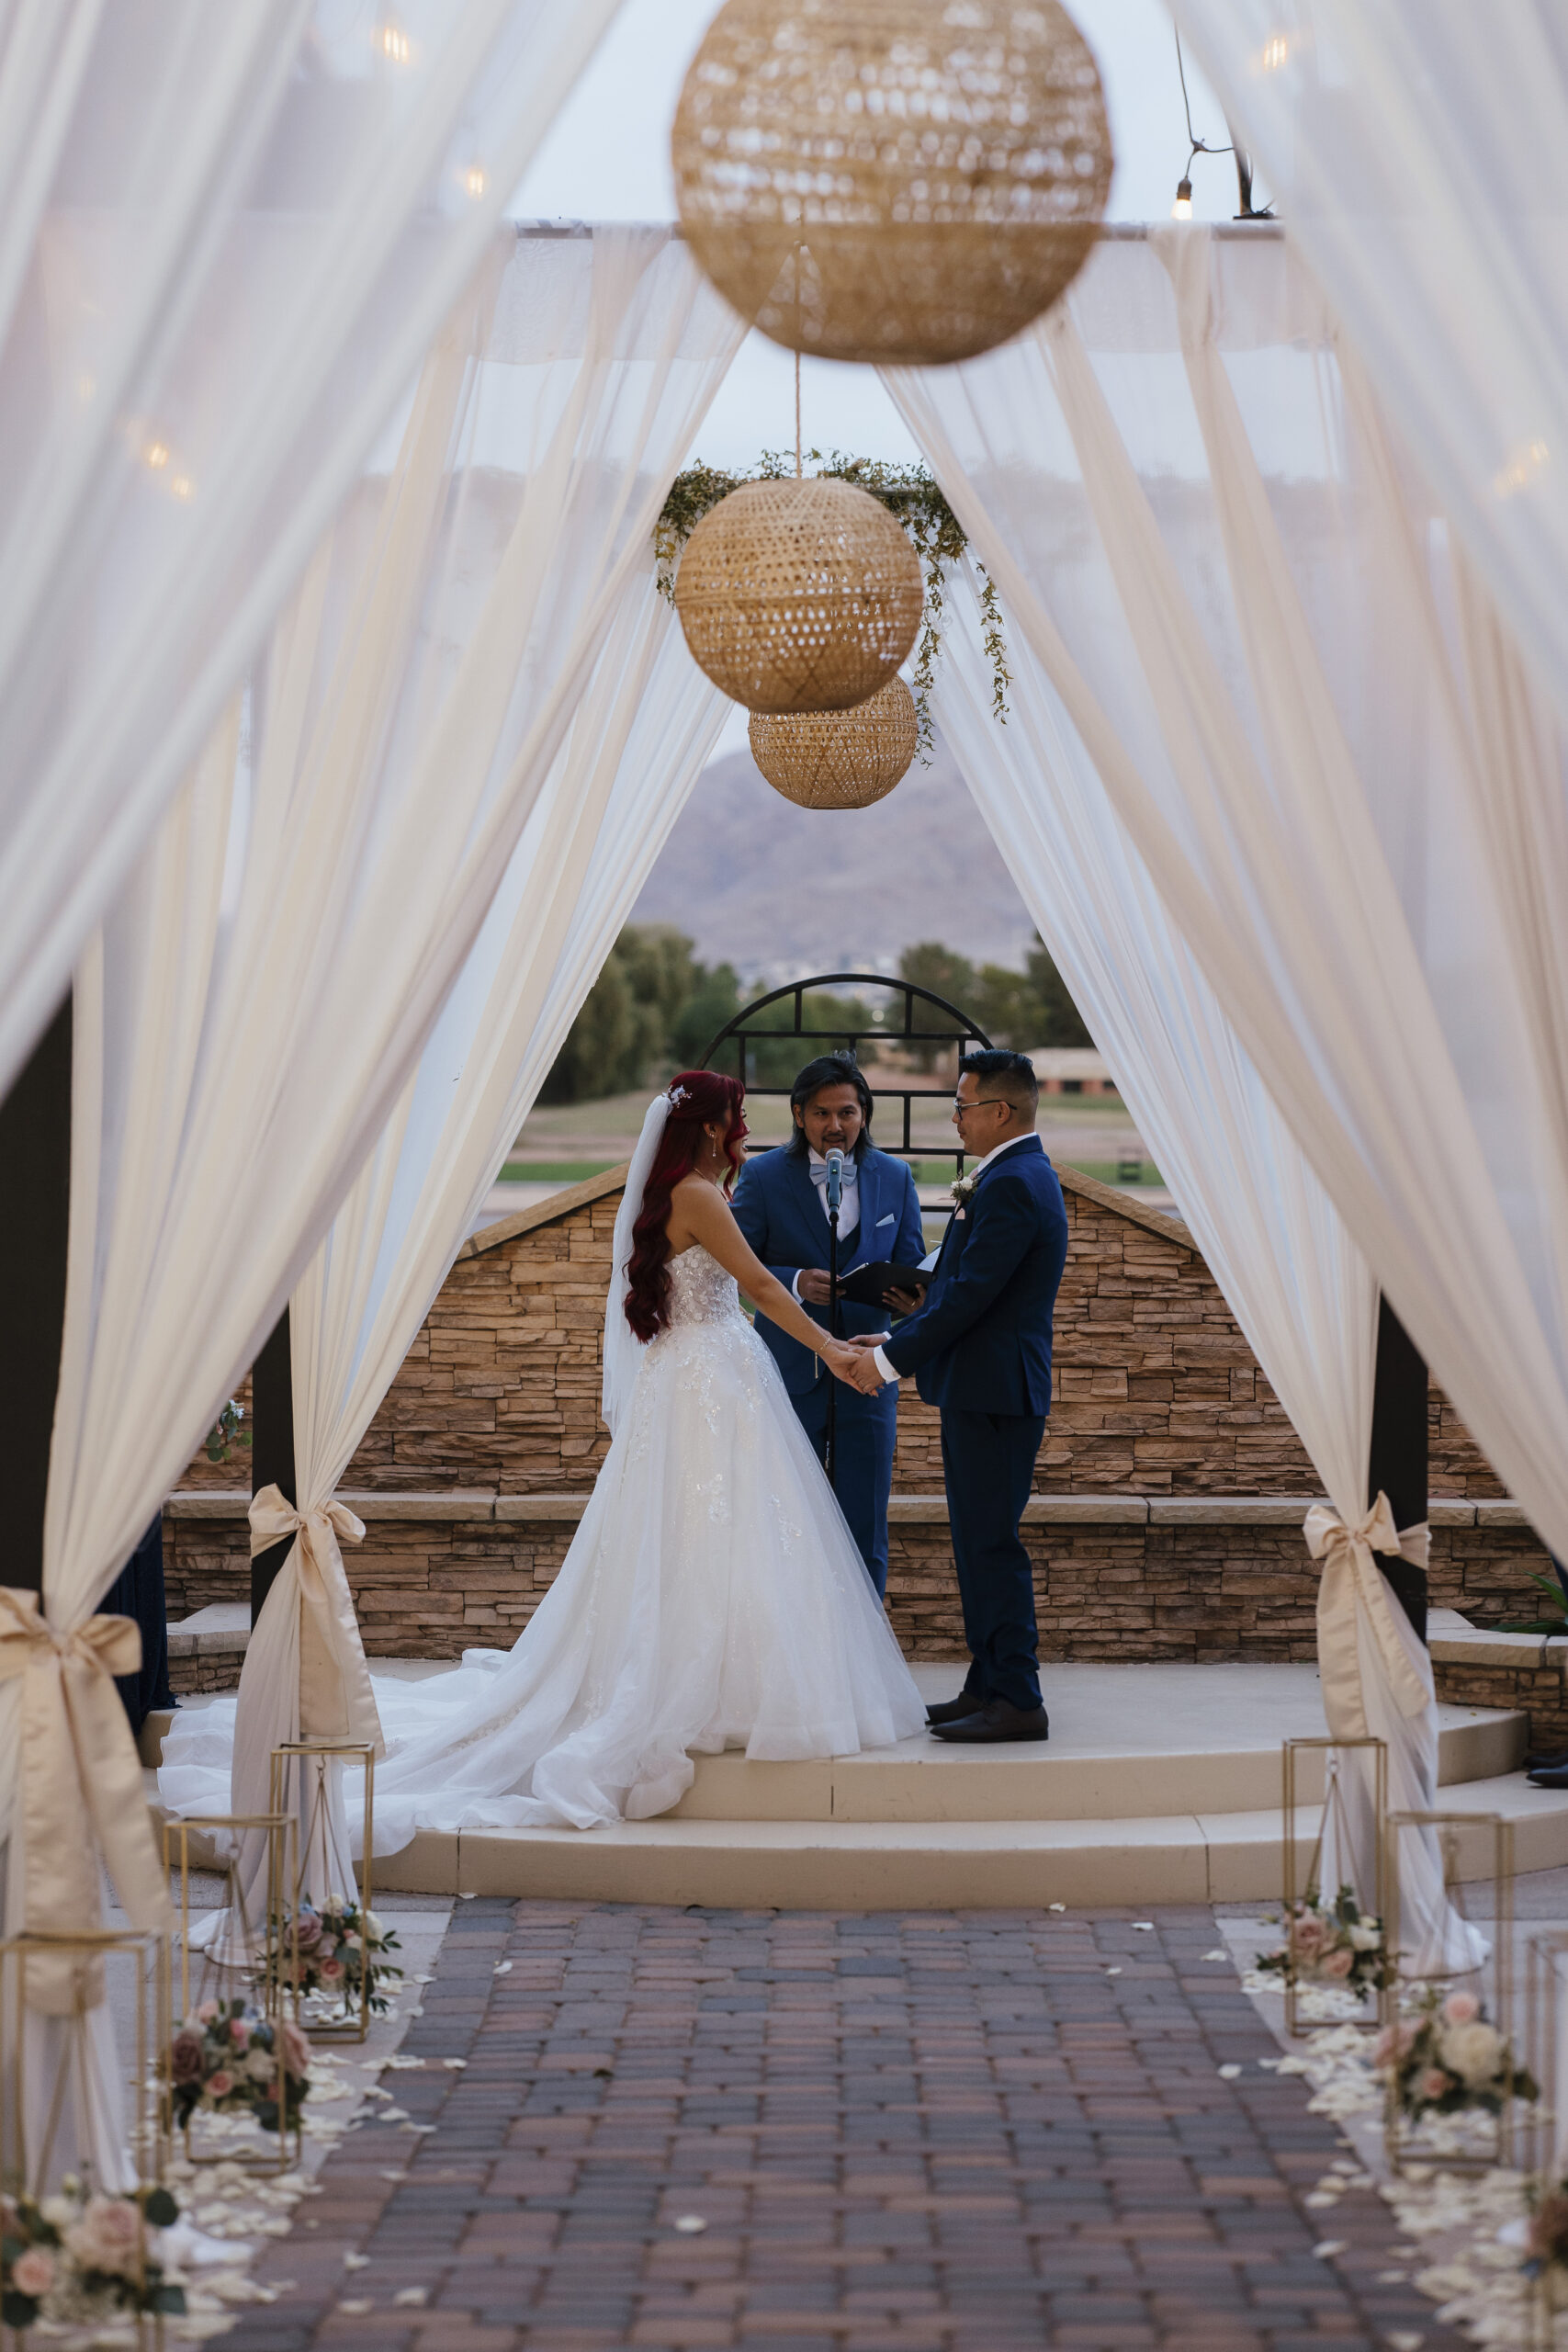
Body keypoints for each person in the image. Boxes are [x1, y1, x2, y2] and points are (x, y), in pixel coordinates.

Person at [164, 1071, 925, 1844]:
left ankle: (723, 1685)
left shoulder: (687, 1190)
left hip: (703, 1376)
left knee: (714, 1532)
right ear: (706, 1128)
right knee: (716, 1528)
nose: (745, 1131)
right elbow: (758, 1282)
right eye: (737, 1118)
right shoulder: (696, 1196)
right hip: (711, 1380)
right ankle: (709, 1692)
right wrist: (828, 1347)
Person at [847, 1050, 1067, 1746]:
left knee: (991, 1545)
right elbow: (967, 1285)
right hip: (984, 1386)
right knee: (976, 1544)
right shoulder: (1010, 1175)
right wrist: (906, 1317)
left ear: (999, 1112)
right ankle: (987, 1683)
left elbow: (975, 1297)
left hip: (996, 1392)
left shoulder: (1011, 1182)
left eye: (963, 1106)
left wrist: (884, 1362)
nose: (955, 1119)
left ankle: (1019, 1698)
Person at [731, 1054, 925, 1598]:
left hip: (868, 1377)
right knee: (785, 1521)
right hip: (789, 1375)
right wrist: (793, 1282)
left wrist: (914, 1303)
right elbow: (735, 1267)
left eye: (847, 1112)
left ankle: (864, 1664)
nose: (834, 1125)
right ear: (798, 1115)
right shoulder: (764, 1175)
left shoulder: (895, 1175)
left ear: (864, 1114)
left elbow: (912, 1260)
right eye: (821, 1113)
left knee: (865, 1524)